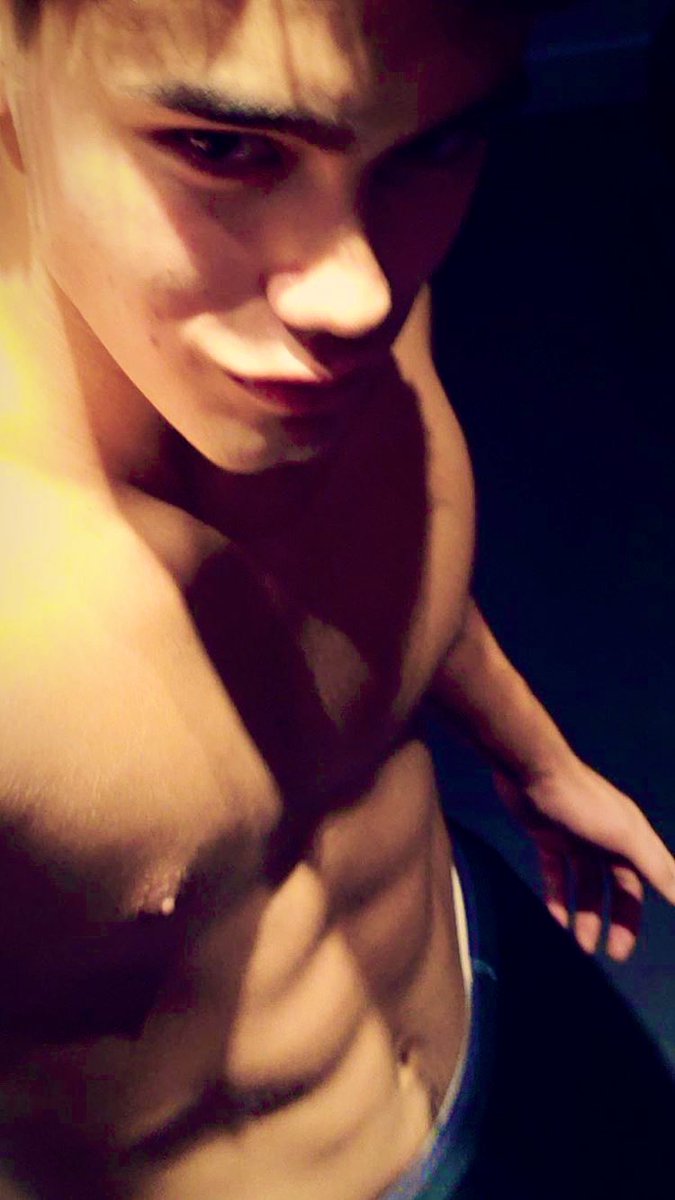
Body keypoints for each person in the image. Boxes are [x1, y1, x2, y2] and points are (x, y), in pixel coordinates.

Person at [0, 1, 673, 1197]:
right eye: (224, 147)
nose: (362, 298)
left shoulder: (332, 267)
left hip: (491, 993)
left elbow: (374, 561)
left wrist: (539, 762)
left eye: (437, 145)